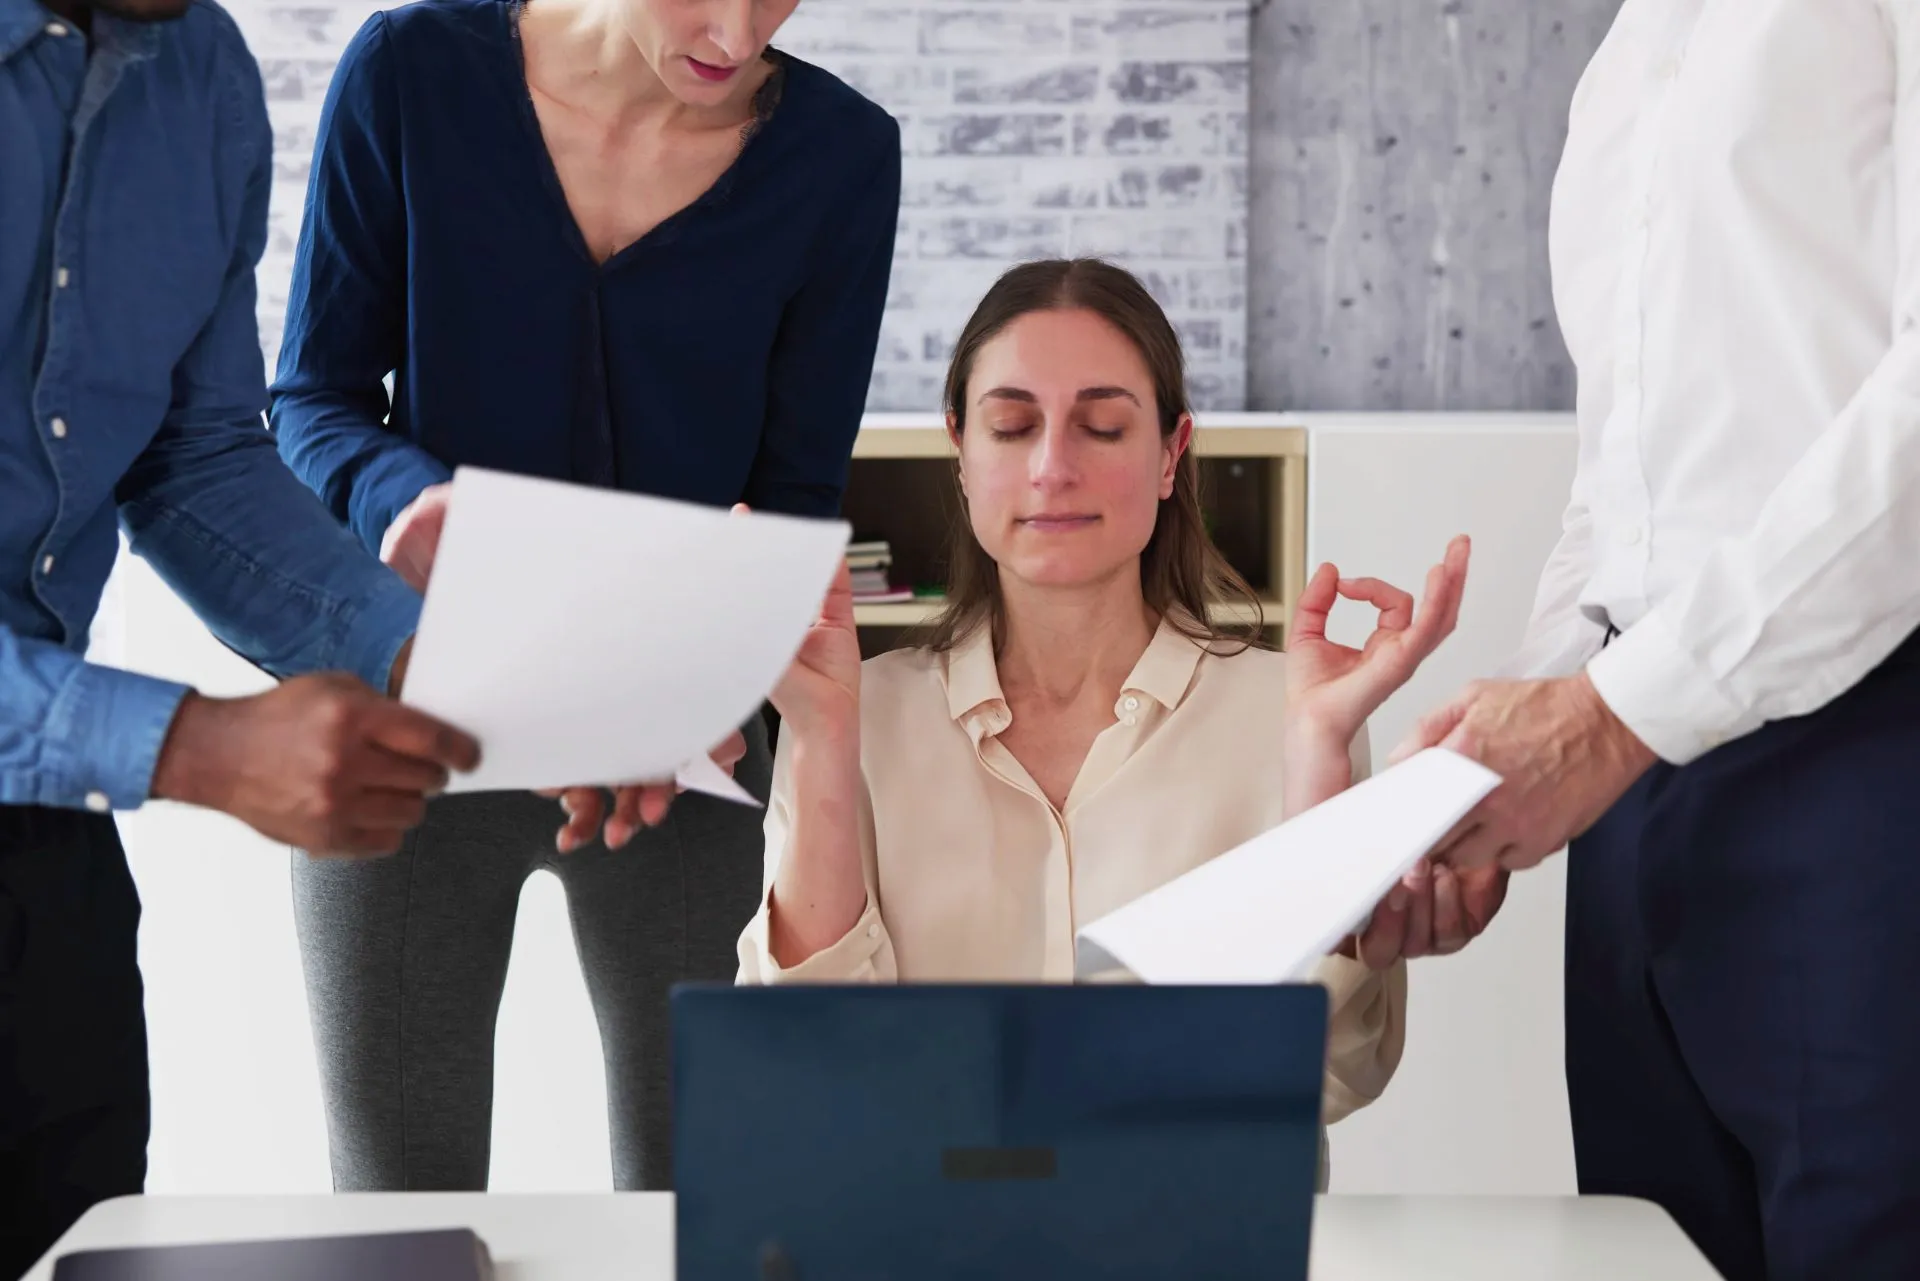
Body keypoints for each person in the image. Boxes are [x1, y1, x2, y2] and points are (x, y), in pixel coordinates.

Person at [269, 0, 900, 1193]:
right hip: (414, 715)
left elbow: (796, 485)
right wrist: (406, 504)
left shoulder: (843, 157)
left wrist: (715, 658)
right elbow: (314, 396)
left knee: (700, 1196)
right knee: (399, 1199)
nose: (737, 27)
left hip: (683, 751)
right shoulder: (408, 72)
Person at [736, 258, 1481, 1183]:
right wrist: (817, 739)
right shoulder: (864, 713)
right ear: (961, 452)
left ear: (1171, 454)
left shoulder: (1285, 713)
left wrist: (1321, 759)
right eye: (1012, 426)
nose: (1053, 466)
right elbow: (810, 1069)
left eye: (1102, 425)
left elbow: (1326, 1071)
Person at [1393, 7, 1920, 1278]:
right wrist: (1513, 740)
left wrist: (1608, 717)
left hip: (1865, 742)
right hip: (1635, 780)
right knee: (1653, 1249)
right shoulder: (1631, 49)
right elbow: (1624, 473)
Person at [0, 0, 488, 1267]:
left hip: (44, 840)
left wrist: (434, 662)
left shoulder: (199, 69)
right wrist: (191, 748)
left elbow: (191, 452)